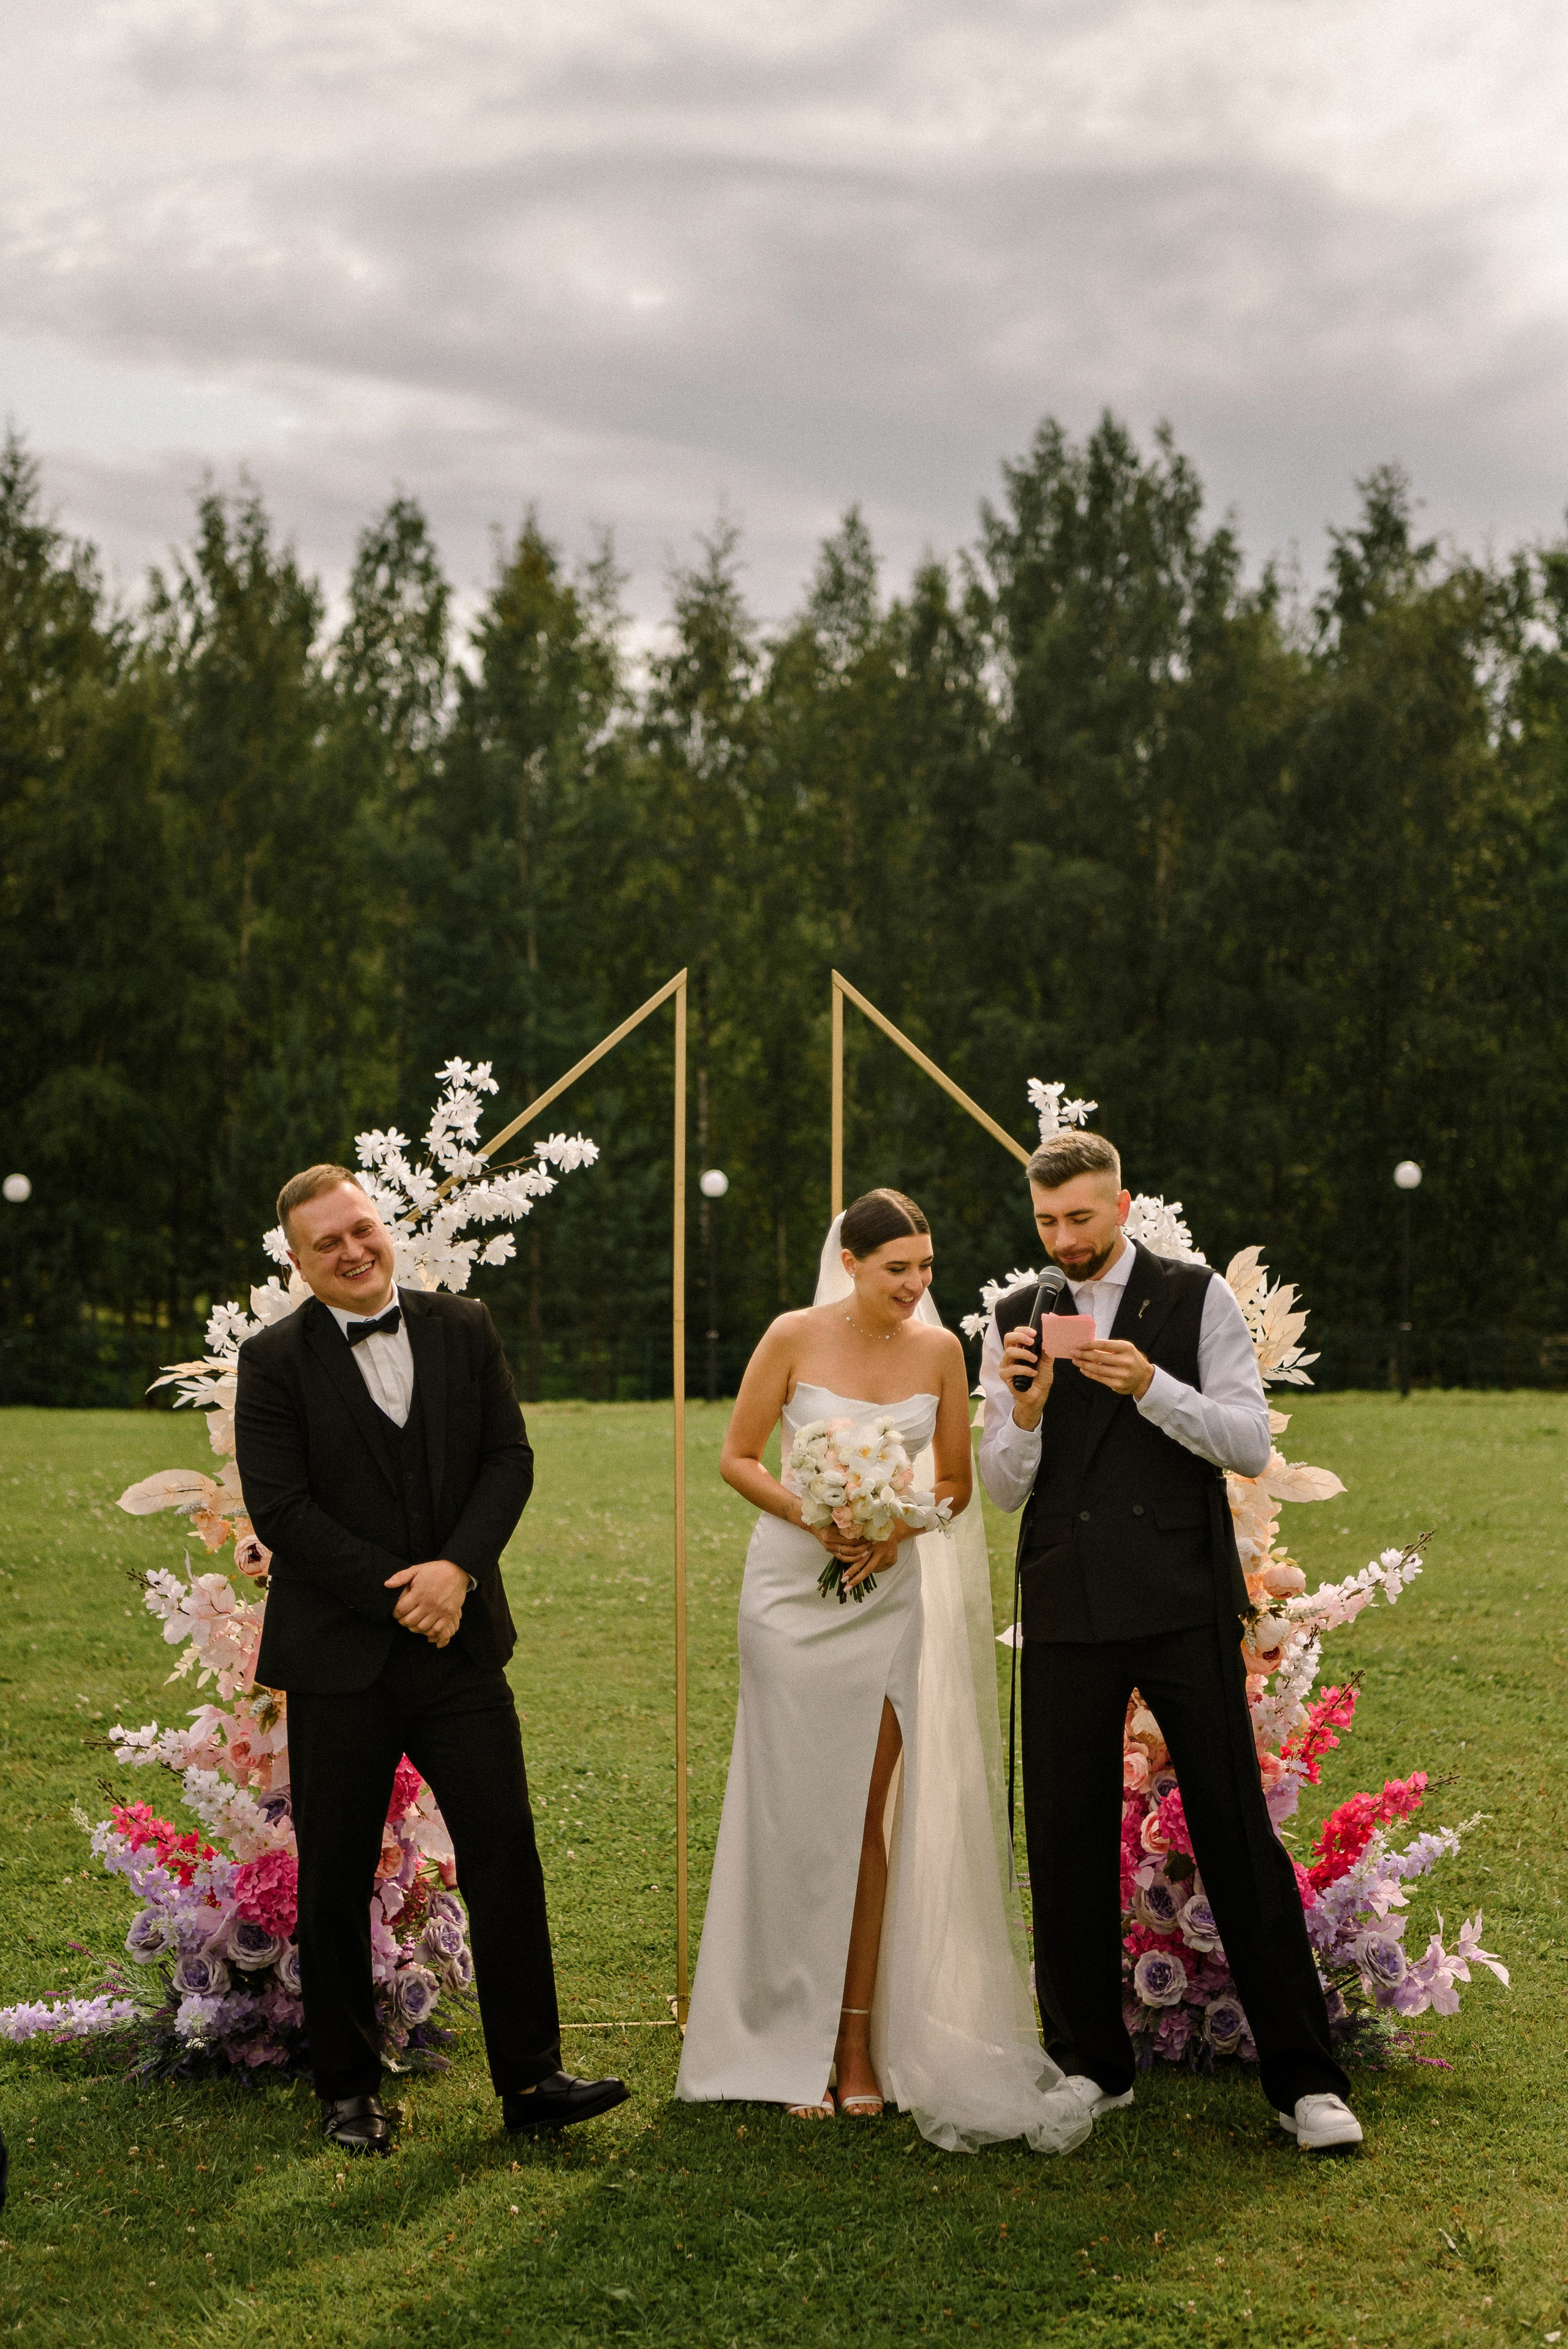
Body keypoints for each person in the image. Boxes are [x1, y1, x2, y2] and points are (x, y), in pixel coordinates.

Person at [676, 1189, 1090, 2154]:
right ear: (852, 1263)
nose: (917, 1285)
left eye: (927, 1267)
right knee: (788, 1810)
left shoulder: (942, 1354)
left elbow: (953, 1482)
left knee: (864, 1814)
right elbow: (738, 1457)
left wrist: (898, 1524)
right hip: (788, 1596)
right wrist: (813, 1514)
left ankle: (854, 2047)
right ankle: (778, 2035)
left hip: (888, 1594)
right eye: (898, 1267)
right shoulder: (791, 1335)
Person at [978, 1126, 1363, 2154]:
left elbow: (1245, 1439)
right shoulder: (1015, 1317)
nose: (1065, 1239)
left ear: (1121, 1203)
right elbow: (1000, 1488)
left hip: (1183, 1599)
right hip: (1064, 1606)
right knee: (1061, 1841)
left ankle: (1304, 2081)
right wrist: (1024, 1410)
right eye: (1048, 1223)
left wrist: (1151, 1384)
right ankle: (1089, 2068)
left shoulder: (1199, 1299)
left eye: (1082, 1218)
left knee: (1236, 1832)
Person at [235, 1163, 627, 2156]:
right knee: (331, 1874)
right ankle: (347, 2091)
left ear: (384, 1226)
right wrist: (406, 1591)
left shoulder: (464, 1327)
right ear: (298, 1261)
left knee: (504, 1854)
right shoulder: (273, 1361)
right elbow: (281, 1511)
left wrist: (456, 1571)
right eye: (328, 1244)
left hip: (462, 1650)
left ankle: (533, 2080)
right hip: (340, 1658)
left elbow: (511, 1460)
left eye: (362, 1230)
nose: (354, 1252)